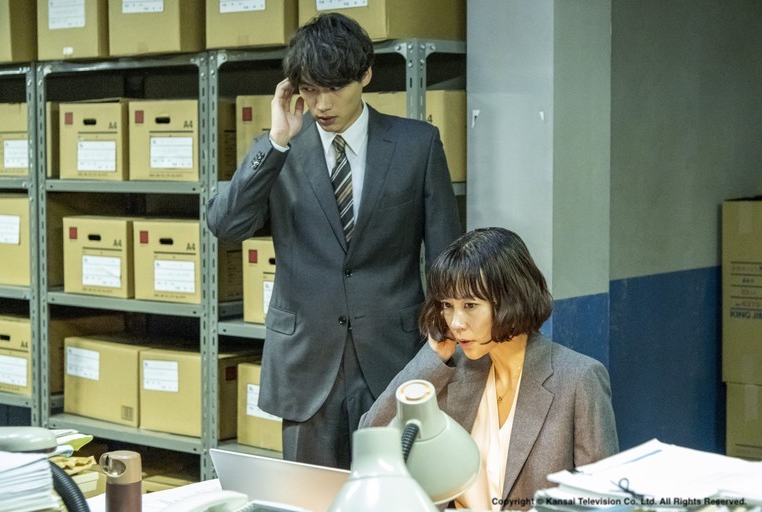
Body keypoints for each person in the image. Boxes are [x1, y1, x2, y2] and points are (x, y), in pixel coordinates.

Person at [206, 13, 460, 469]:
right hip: (306, 362)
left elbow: (445, 255)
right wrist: (277, 141)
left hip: (393, 354)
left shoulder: (417, 145)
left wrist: (443, 350)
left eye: (335, 88)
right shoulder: (280, 150)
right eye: (309, 89)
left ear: (366, 75)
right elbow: (226, 225)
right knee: (309, 496)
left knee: (393, 491)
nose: (321, 104)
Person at [360, 227, 618, 510]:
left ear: (511, 299)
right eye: (447, 305)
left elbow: (602, 500)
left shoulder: (578, 379)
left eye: (470, 305)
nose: (455, 323)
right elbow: (372, 440)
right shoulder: (449, 370)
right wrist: (431, 361)